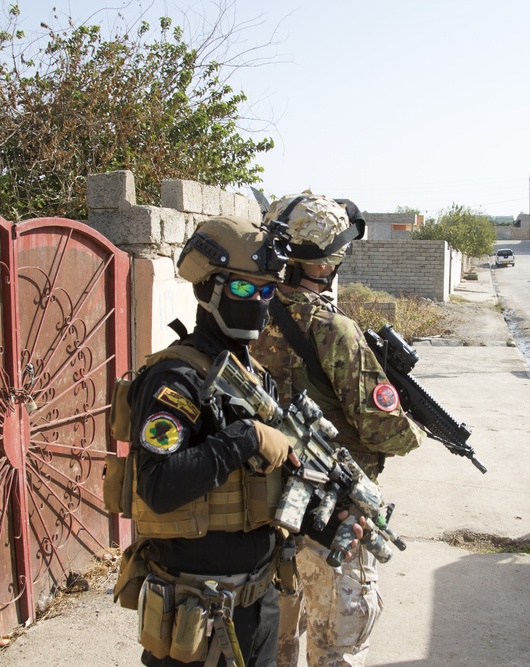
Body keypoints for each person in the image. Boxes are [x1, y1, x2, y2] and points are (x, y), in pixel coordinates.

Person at [249, 193, 425, 667]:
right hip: (333, 511)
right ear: (327, 262)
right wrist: (405, 418)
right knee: (338, 645)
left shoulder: (247, 311)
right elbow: (384, 431)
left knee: (275, 641)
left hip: (265, 505)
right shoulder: (332, 327)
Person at [122, 214, 299, 666]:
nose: (258, 301)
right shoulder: (174, 379)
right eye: (244, 288)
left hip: (260, 601)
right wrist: (243, 438)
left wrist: (331, 514)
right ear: (209, 289)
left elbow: (279, 487)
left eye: (266, 290)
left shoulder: (254, 379)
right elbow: (158, 487)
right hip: (196, 615)